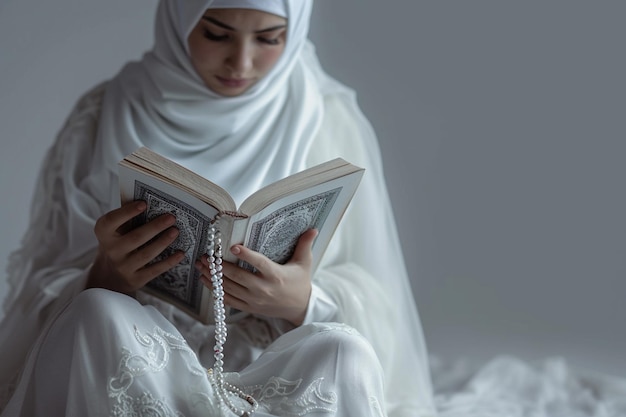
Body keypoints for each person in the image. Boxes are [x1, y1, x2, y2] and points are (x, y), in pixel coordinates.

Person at [0, 1, 436, 416]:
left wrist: (302, 300)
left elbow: (376, 289)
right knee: (95, 313)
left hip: (271, 357)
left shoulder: (326, 115)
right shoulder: (103, 113)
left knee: (344, 350)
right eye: (216, 33)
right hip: (136, 356)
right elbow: (44, 282)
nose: (240, 63)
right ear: (180, 19)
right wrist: (108, 275)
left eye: (269, 38)